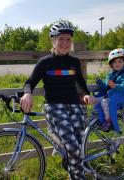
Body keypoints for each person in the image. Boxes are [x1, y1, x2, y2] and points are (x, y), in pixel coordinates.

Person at [20, 20, 95, 180]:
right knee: (73, 147)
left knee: (78, 145)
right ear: (53, 40)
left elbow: (80, 83)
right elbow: (30, 82)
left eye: (68, 39)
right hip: (55, 107)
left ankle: (72, 168)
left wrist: (86, 93)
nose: (65, 43)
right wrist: (27, 93)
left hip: (75, 106)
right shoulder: (45, 62)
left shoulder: (74, 62)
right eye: (61, 39)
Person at [94, 48, 124, 131]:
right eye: (114, 62)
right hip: (109, 97)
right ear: (111, 64)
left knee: (104, 102)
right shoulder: (111, 75)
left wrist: (115, 86)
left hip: (118, 99)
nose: (117, 64)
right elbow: (106, 87)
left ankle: (108, 122)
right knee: (96, 101)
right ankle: (102, 121)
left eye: (120, 61)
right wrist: (100, 82)